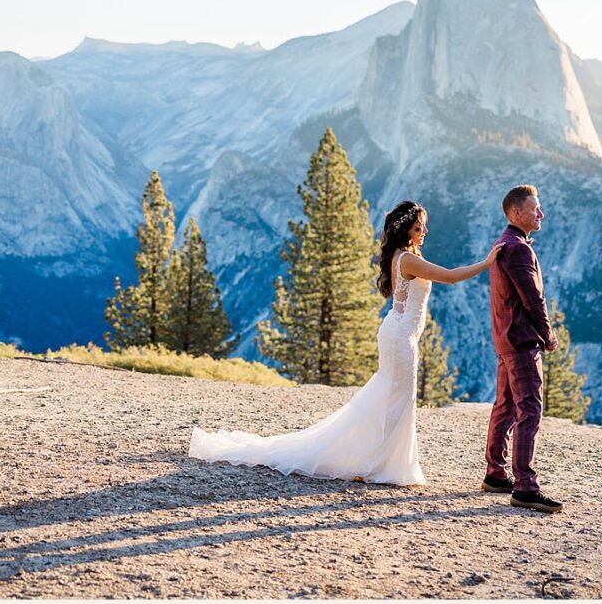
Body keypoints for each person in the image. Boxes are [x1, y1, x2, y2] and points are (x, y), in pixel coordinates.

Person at [189, 201, 500, 486]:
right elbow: (450, 276)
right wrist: (488, 262)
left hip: (397, 332)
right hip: (400, 337)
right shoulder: (407, 259)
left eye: (424, 226)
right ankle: (383, 466)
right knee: (399, 400)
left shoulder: (404, 255)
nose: (425, 231)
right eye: (419, 227)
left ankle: (382, 462)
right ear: (405, 230)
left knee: (389, 398)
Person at [483, 184, 563, 513]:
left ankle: (496, 472)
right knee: (529, 410)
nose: (541, 214)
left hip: (505, 339)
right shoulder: (518, 249)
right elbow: (533, 300)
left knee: (504, 407)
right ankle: (525, 485)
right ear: (518, 213)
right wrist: (547, 335)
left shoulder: (505, 244)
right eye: (535, 209)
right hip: (521, 340)